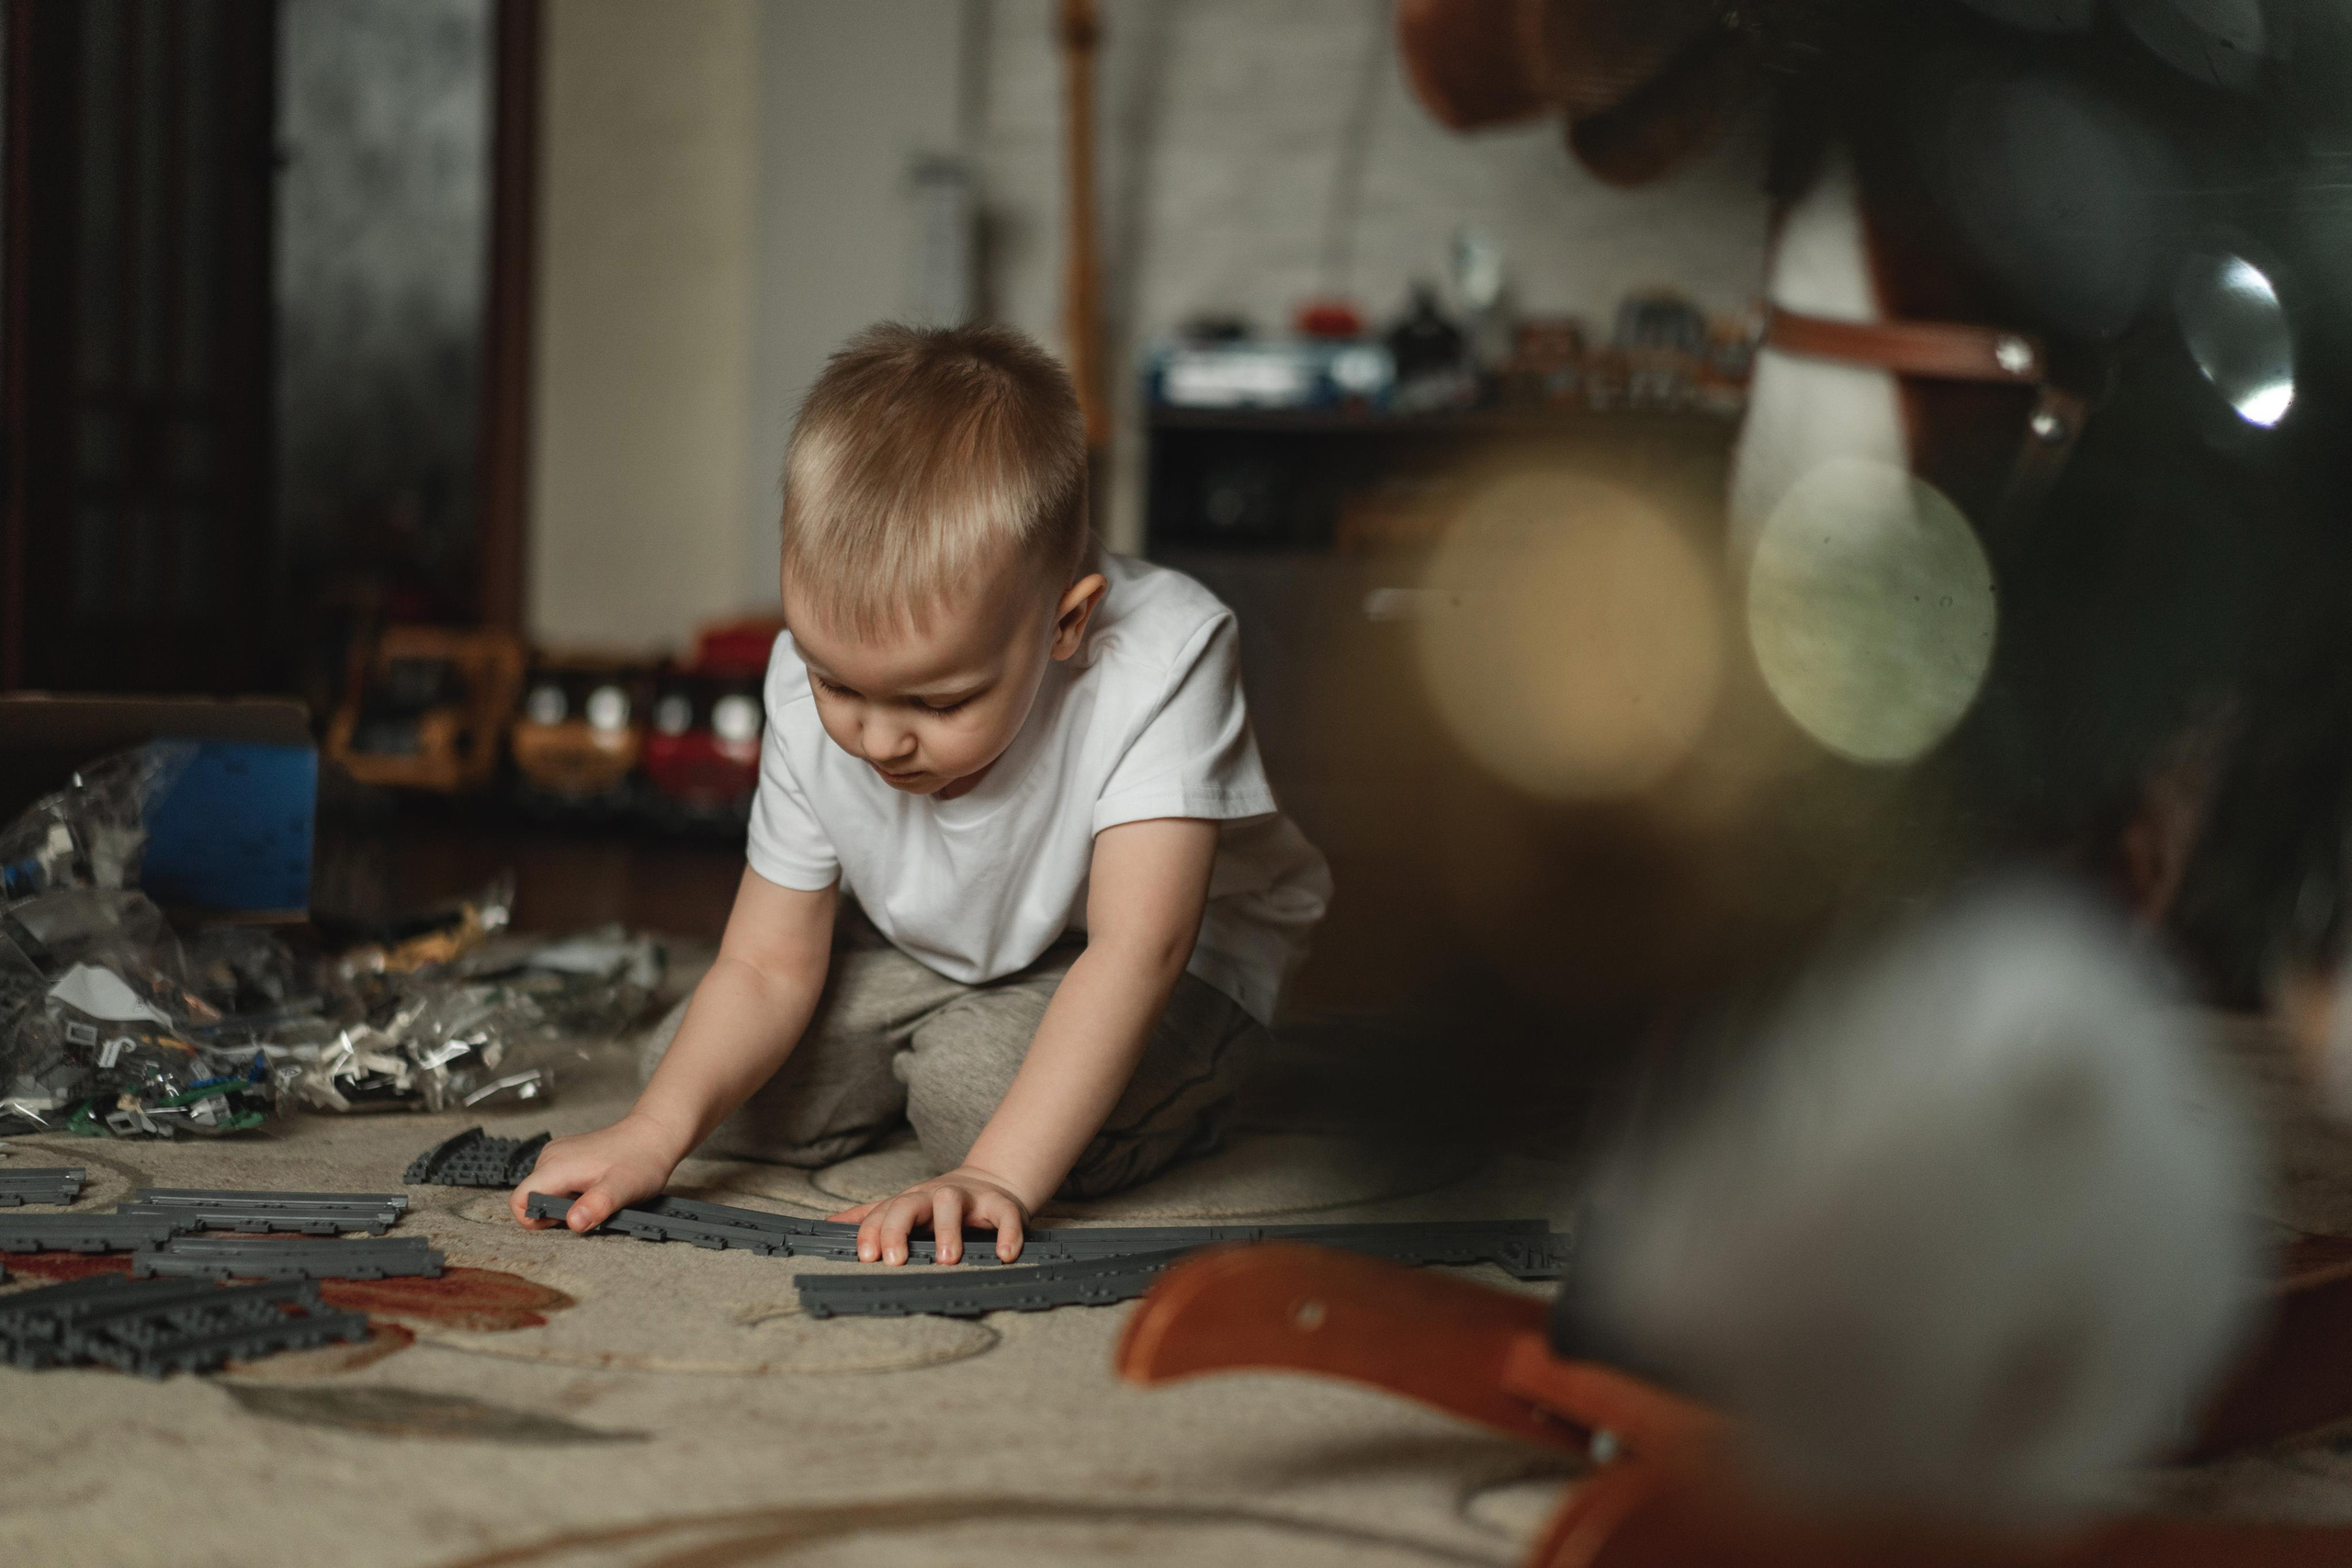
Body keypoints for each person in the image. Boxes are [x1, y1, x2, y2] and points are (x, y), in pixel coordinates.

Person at [511, 321, 1329, 1265]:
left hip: (1165, 959)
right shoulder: (802, 680)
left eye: (937, 702)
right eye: (837, 683)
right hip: (951, 942)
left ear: (1066, 624)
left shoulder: (1165, 657)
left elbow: (1136, 952)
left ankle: (1184, 1092)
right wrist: (652, 1134)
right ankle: (946, 1043)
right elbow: (766, 965)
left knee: (972, 1102)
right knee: (689, 1086)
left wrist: (997, 1174)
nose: (878, 739)